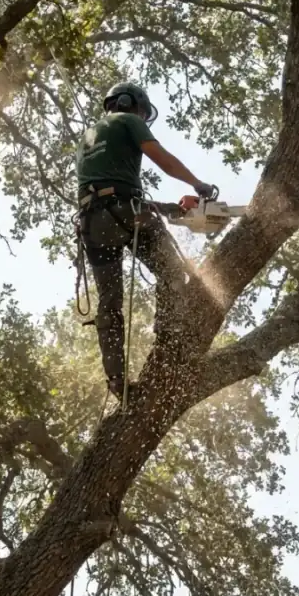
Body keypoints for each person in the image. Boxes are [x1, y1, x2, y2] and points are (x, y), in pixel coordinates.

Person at [75, 81, 216, 398]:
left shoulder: (86, 139)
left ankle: (116, 381)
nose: (141, 117)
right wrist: (198, 185)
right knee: (171, 270)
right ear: (130, 103)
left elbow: (112, 193)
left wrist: (174, 209)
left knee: (109, 303)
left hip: (92, 222)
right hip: (127, 212)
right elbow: (163, 160)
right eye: (141, 112)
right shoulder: (128, 120)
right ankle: (168, 335)